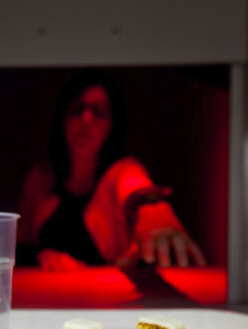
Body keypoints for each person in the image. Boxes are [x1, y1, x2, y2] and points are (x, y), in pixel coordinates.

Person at [17, 70, 206, 272]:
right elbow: (19, 249)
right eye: (77, 108)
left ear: (111, 124)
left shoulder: (121, 172)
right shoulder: (40, 180)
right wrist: (41, 256)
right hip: (43, 299)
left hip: (107, 300)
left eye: (98, 111)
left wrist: (156, 218)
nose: (86, 118)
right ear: (62, 119)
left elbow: (139, 191)